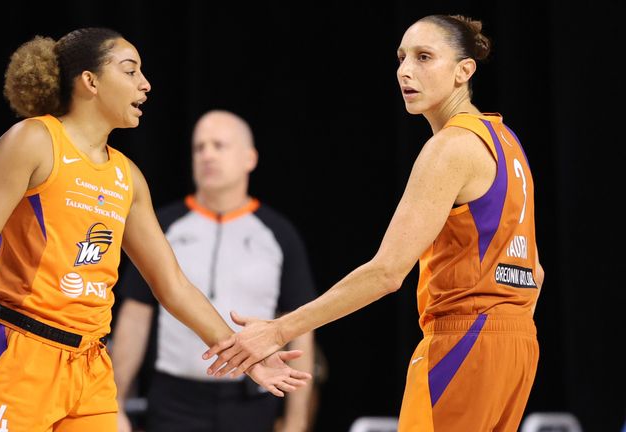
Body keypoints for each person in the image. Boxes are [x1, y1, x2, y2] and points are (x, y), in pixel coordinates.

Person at [0, 27, 311, 432]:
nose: (145, 84)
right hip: (18, 350)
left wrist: (245, 354)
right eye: (130, 71)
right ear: (90, 81)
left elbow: (173, 285)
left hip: (90, 367)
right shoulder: (34, 141)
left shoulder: (127, 177)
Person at [204, 14, 543, 431]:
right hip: (518, 343)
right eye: (401, 58)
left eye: (424, 57)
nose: (405, 70)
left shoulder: (450, 147)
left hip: (465, 340)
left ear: (464, 71)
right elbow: (535, 273)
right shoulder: (507, 142)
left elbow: (386, 272)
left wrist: (278, 331)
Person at [110, 110, 317, 432]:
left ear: (249, 158)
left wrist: (296, 421)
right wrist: (115, 401)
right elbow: (136, 316)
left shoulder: (278, 234)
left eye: (219, 145)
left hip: (251, 400)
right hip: (175, 399)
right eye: (199, 147)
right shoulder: (162, 226)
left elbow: (300, 327)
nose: (207, 154)